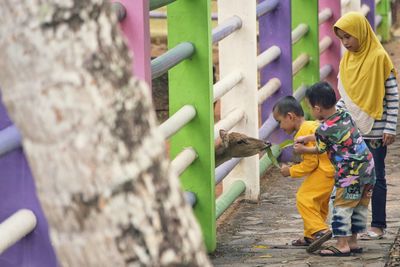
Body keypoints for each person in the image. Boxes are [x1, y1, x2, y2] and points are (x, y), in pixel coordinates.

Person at [333, 12, 399, 239]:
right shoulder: (347, 60)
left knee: (376, 177)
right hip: (352, 133)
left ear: (361, 32)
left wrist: (391, 127)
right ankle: (356, 226)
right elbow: (345, 97)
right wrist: (335, 119)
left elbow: (392, 97)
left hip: (377, 133)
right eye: (342, 38)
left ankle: (378, 224)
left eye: (349, 37)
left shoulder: (379, 57)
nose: (346, 43)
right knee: (353, 179)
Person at [295, 82, 376, 256]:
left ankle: (341, 245)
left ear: (317, 109)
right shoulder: (344, 114)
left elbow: (319, 148)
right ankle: (353, 242)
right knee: (358, 206)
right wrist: (308, 136)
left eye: (310, 107)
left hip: (349, 173)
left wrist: (303, 149)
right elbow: (329, 135)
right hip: (367, 169)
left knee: (342, 207)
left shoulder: (324, 129)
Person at [272, 96, 334, 248]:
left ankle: (319, 230)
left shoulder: (304, 132)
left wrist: (290, 171)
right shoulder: (311, 125)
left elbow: (310, 164)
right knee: (317, 203)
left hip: (324, 171)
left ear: (290, 116)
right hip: (331, 169)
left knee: (304, 198)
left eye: (279, 121)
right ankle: (310, 235)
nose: (280, 126)